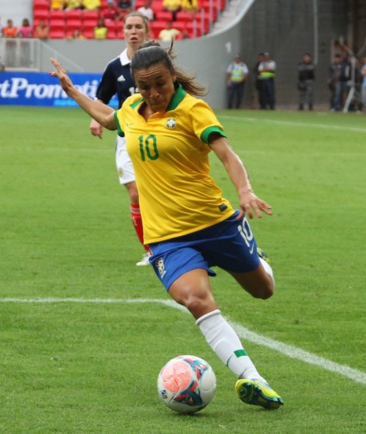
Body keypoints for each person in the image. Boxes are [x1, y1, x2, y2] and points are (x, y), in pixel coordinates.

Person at [50, 40, 284, 411]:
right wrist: (72, 91)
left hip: (215, 222)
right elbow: (109, 118)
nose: (153, 93)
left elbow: (227, 153)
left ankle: (258, 257)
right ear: (135, 85)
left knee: (263, 290)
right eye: (145, 86)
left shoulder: (193, 110)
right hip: (166, 235)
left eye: (160, 83)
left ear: (173, 76)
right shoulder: (130, 109)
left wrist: (245, 191)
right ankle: (253, 378)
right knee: (194, 299)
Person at [90, 12, 151, 266]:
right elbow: (101, 98)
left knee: (158, 193)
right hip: (127, 137)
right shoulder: (115, 66)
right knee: (136, 193)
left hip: (158, 138)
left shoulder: (158, 62)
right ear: (123, 31)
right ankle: (151, 250)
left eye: (138, 26)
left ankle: (176, 242)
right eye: (129, 27)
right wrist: (96, 118)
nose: (133, 31)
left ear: (146, 31)